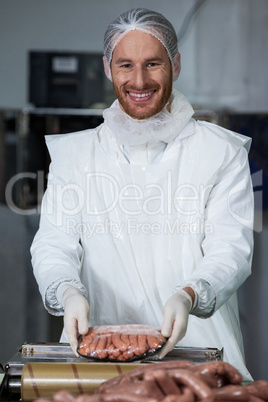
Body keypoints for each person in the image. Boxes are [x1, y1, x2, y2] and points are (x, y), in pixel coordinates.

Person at [31, 8, 254, 380]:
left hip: (198, 349)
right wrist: (67, 290)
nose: (139, 80)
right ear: (107, 68)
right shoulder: (75, 156)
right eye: (125, 65)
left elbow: (230, 247)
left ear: (176, 65)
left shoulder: (220, 152)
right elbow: (54, 243)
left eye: (153, 64)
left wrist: (190, 294)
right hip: (98, 348)